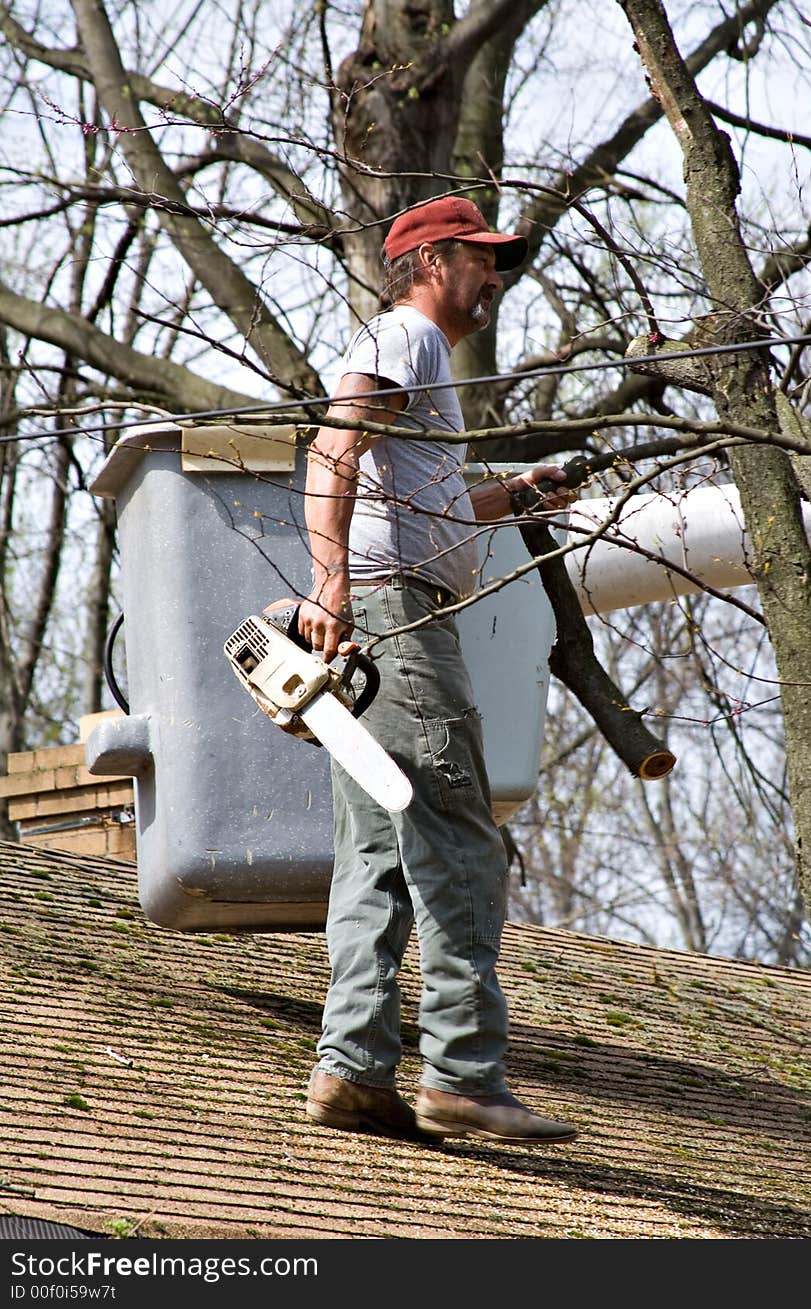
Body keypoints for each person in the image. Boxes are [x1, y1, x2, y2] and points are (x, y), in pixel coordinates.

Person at [266, 194, 578, 1145]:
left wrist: (516, 492)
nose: (497, 276)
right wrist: (329, 591)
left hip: (378, 621)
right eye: (484, 258)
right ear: (435, 259)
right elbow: (334, 445)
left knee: (376, 852)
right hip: (395, 619)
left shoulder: (415, 357)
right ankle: (464, 1071)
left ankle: (353, 1068)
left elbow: (426, 506)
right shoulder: (409, 336)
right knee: (461, 833)